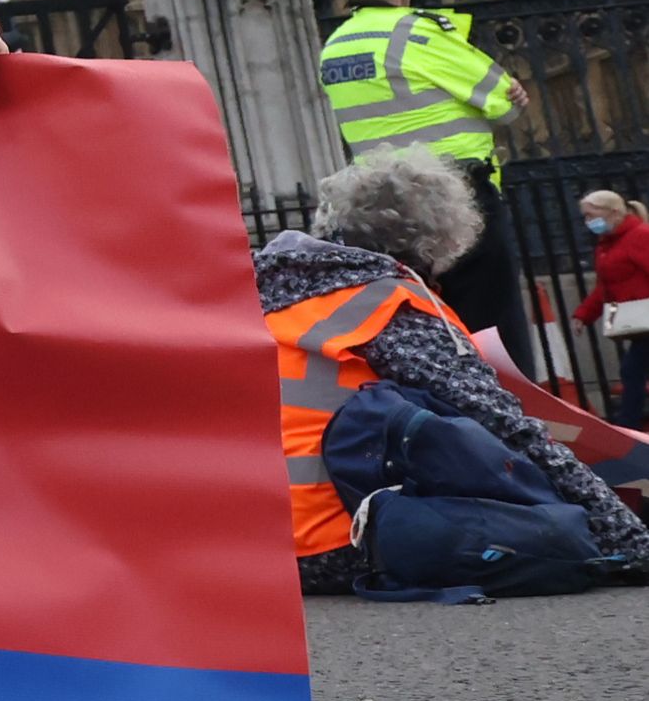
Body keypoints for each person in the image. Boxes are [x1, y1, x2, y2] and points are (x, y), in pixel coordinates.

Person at [262, 150, 644, 595]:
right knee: (561, 540)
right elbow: (505, 425)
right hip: (342, 540)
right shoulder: (389, 304)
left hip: (255, 545)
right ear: (438, 237)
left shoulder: (264, 296)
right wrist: (628, 536)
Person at [313, 0, 529, 353]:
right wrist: (508, 95)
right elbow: (505, 104)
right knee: (490, 326)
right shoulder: (418, 33)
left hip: (379, 203)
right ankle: (508, 413)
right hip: (456, 196)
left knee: (419, 325)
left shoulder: (334, 48)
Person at [586, 185, 649, 425]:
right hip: (640, 321)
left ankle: (628, 423)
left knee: (632, 371)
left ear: (613, 213)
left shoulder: (638, 236)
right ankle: (628, 422)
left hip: (644, 315)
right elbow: (605, 286)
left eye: (592, 215)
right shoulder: (608, 244)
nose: (588, 222)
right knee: (632, 371)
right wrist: (585, 314)